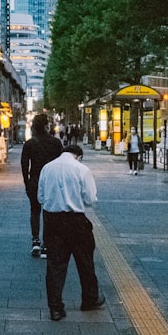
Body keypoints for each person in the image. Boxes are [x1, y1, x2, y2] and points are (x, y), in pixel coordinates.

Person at [37, 144, 104, 321]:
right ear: (79, 156)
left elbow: (40, 197)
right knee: (85, 262)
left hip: (52, 221)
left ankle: (56, 308)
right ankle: (90, 300)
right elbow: (90, 199)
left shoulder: (47, 168)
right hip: (76, 221)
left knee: (55, 265)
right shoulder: (82, 169)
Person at [20, 114, 64, 258]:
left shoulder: (30, 144)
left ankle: (35, 241)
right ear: (47, 126)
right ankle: (46, 244)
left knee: (34, 210)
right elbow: (61, 164)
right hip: (51, 181)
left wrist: (27, 183)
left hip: (35, 180)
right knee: (49, 212)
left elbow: (24, 165)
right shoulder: (56, 143)